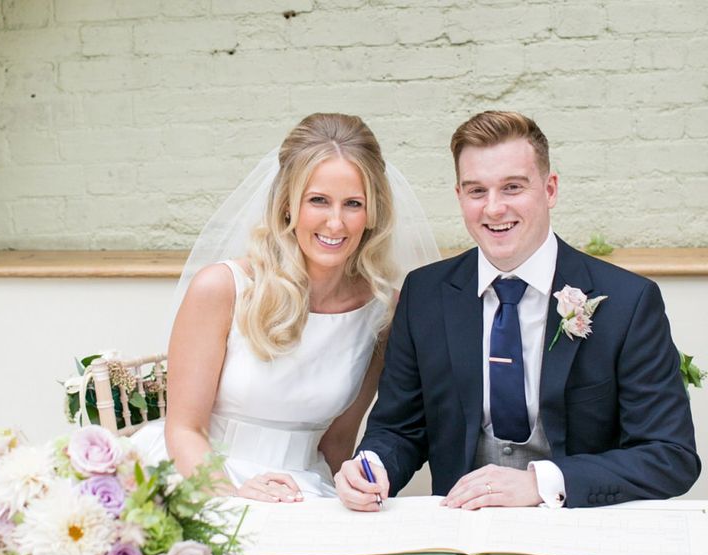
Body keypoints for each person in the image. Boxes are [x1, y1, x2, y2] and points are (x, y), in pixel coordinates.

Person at [336, 110, 700, 511]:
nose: (493, 209)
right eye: (477, 191)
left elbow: (670, 455)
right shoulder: (424, 295)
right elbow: (398, 428)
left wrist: (543, 482)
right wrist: (371, 465)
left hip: (580, 529)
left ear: (550, 189)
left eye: (512, 187)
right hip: (463, 530)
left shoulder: (627, 301)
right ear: (459, 196)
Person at [133, 112, 440, 502]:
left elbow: (337, 444)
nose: (335, 222)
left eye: (352, 204)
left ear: (372, 212)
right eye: (318, 201)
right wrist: (233, 497)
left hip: (303, 490)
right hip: (201, 477)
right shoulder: (223, 288)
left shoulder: (382, 312)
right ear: (287, 205)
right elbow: (184, 430)